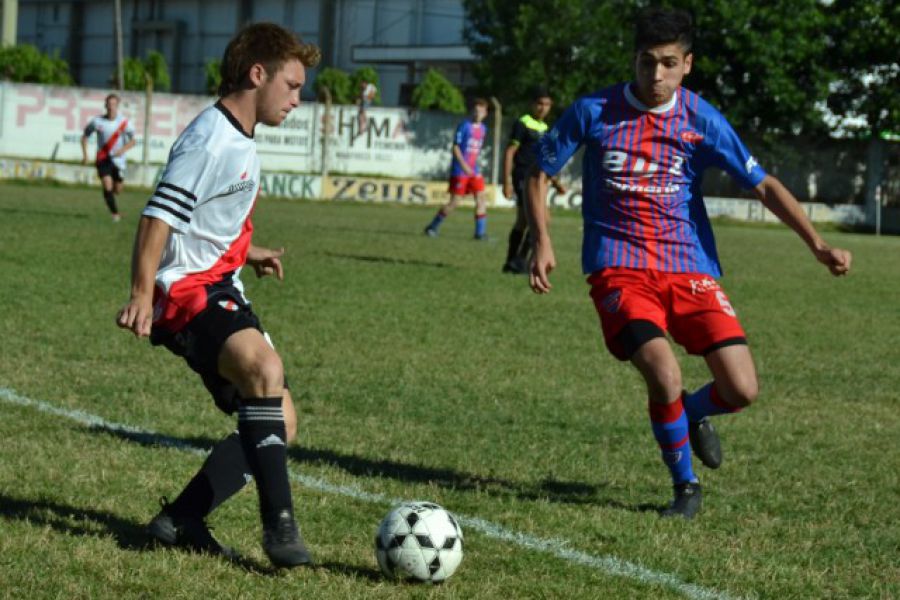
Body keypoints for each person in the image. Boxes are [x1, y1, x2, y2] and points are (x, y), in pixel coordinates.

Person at [527, 8, 851, 518]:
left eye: (668, 64)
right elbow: (539, 171)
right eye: (646, 62)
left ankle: (693, 415)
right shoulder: (593, 110)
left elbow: (762, 183)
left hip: (690, 268)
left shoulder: (701, 119)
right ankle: (686, 487)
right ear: (633, 60)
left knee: (742, 389)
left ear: (687, 65)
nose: (655, 76)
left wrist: (816, 244)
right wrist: (542, 241)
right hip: (619, 268)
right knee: (665, 374)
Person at [115, 23, 321, 566]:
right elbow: (157, 216)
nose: (299, 100)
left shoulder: (239, 136)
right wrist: (141, 294)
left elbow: (206, 218)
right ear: (258, 74)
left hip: (218, 282)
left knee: (284, 420)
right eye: (293, 85)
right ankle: (281, 530)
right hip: (185, 291)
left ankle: (180, 518)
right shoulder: (210, 138)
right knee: (263, 370)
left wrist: (248, 251)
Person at [501, 88, 565, 273]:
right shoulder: (523, 123)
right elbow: (510, 152)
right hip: (523, 175)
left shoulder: (546, 129)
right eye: (539, 104)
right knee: (534, 218)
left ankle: (515, 261)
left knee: (530, 220)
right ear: (532, 104)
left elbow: (545, 160)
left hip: (541, 178)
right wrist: (506, 181)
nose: (542, 108)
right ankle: (518, 260)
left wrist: (555, 182)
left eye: (546, 105)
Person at [424, 97, 490, 239]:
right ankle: (432, 226)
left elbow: (474, 151)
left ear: (485, 113)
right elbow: (455, 148)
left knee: (481, 198)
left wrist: (473, 167)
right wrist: (464, 165)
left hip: (474, 170)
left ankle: (480, 233)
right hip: (460, 170)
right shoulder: (464, 126)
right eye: (475, 110)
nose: (478, 113)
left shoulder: (484, 129)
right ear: (472, 111)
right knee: (455, 202)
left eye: (481, 111)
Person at [82, 93, 136, 222]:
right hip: (103, 158)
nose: (111, 107)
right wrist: (85, 155)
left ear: (117, 106)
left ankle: (108, 197)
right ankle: (115, 214)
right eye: (109, 104)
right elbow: (85, 136)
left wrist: (122, 150)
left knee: (117, 189)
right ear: (105, 105)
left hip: (119, 161)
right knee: (107, 185)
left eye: (114, 104)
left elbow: (133, 141)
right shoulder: (97, 122)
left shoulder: (124, 123)